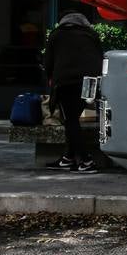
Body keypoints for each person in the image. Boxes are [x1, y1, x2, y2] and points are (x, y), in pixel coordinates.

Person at [42, 12, 105, 173]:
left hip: (67, 82)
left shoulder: (57, 35)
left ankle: (86, 161)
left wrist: (50, 76)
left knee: (70, 120)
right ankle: (68, 158)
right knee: (74, 119)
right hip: (90, 82)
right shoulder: (91, 35)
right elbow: (100, 56)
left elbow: (48, 61)